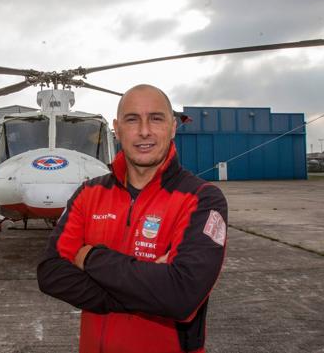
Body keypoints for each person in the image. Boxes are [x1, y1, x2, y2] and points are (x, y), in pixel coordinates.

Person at [37, 84, 228, 353]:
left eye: (156, 118)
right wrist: (149, 290)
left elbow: (182, 296)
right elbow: (51, 274)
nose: (144, 131)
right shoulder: (88, 193)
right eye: (132, 119)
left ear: (173, 127)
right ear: (117, 128)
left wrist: (91, 258)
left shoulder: (202, 198)